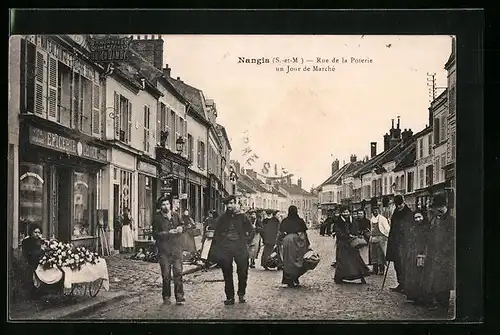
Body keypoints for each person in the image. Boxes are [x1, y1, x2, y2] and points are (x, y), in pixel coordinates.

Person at [210, 195, 254, 305]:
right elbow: (217, 233)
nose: (230, 205)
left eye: (232, 203)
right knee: (227, 272)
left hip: (240, 247)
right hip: (226, 248)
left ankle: (241, 294)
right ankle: (230, 297)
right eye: (227, 204)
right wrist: (220, 244)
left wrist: (247, 241)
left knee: (243, 271)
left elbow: (251, 231)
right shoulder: (222, 218)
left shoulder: (243, 217)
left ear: (236, 203)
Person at [421, 194, 455, 310]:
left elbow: (453, 238)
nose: (437, 210)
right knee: (434, 279)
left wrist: (445, 250)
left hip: (445, 256)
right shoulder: (435, 218)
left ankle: (443, 304)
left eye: (439, 208)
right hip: (433, 254)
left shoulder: (451, 220)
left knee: (444, 281)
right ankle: (437, 302)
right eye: (436, 208)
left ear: (443, 207)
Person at [152, 197, 188, 305]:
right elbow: (155, 234)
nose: (166, 206)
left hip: (177, 249)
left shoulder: (175, 215)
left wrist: (181, 228)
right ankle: (166, 296)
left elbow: (182, 225)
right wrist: (168, 233)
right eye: (163, 204)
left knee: (178, 273)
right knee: (166, 275)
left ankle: (179, 297)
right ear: (160, 206)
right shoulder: (157, 218)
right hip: (164, 251)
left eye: (167, 204)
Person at [333, 206, 369, 284]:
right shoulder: (338, 221)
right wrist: (347, 235)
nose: (346, 214)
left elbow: (356, 228)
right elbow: (338, 232)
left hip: (351, 243)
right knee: (342, 261)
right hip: (342, 244)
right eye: (344, 212)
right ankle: (340, 277)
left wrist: (354, 234)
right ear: (341, 213)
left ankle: (360, 275)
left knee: (356, 259)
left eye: (347, 212)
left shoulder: (352, 220)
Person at [276, 205, 311, 288]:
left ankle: (288, 279)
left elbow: (281, 233)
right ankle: (295, 277)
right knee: (298, 259)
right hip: (297, 241)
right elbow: (304, 233)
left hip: (287, 241)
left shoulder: (285, 220)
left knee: (288, 261)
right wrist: (308, 244)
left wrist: (278, 242)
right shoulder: (300, 221)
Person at [386, 195, 414, 293]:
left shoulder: (409, 213)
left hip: (405, 243)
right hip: (396, 243)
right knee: (397, 264)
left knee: (405, 264)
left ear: (404, 202)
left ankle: (406, 285)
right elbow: (392, 228)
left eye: (400, 205)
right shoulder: (395, 213)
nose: (399, 207)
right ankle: (400, 283)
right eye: (397, 205)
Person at [403, 209, 431, 305]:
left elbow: (428, 242)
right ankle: (414, 296)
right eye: (416, 218)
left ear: (423, 217)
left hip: (422, 253)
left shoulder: (427, 228)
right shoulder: (412, 228)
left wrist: (423, 253)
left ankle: (423, 297)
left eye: (419, 217)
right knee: (413, 275)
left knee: (422, 276)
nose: (418, 219)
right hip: (412, 254)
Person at [369, 200, 390, 275]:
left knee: (380, 254)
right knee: (373, 255)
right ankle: (375, 270)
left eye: (376, 211)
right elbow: (371, 229)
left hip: (381, 239)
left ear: (379, 211)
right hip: (373, 239)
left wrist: (386, 236)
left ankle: (381, 270)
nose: (375, 212)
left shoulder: (382, 219)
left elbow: (387, 229)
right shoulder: (371, 219)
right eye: (374, 211)